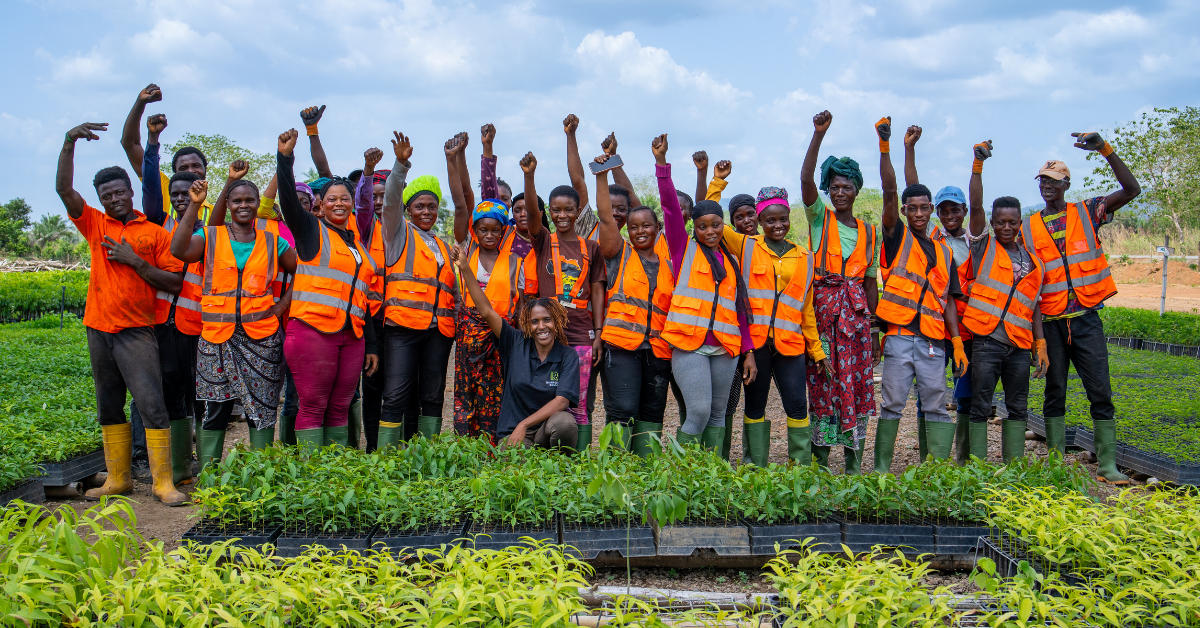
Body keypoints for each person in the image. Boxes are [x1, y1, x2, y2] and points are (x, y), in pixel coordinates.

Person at [56, 122, 189, 506]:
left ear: (131, 192)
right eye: (106, 194)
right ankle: (118, 478)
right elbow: (64, 189)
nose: (114, 198)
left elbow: (175, 282)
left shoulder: (156, 234)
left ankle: (163, 482)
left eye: (119, 192)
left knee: (151, 403)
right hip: (98, 328)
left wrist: (135, 261)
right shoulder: (95, 224)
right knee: (108, 403)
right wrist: (69, 143)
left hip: (137, 331)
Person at [1026, 131, 1140, 484]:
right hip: (1052, 324)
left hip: (1086, 320)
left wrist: (1105, 150)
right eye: (1043, 180)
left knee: (1100, 392)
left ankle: (1107, 465)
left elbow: (1132, 190)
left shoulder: (1087, 211)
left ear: (1066, 184)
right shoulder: (1028, 227)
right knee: (1054, 390)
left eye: (1054, 180)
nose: (1047, 185)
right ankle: (1057, 463)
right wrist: (1037, 338)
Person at [169, 173, 296, 471]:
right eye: (236, 200)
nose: (243, 205)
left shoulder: (272, 242)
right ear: (227, 204)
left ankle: (262, 476)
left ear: (258, 205)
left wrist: (280, 307)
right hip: (215, 338)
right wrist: (194, 207)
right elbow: (178, 251)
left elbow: (303, 272)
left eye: (249, 200)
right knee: (215, 407)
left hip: (262, 339)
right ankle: (211, 478)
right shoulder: (209, 236)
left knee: (262, 408)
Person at [706, 179, 832, 466]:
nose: (778, 225)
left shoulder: (805, 257)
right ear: (759, 221)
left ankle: (800, 468)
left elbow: (806, 310)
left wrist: (817, 350)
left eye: (783, 219)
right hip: (755, 345)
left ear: (790, 219)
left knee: (798, 405)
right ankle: (754, 467)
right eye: (770, 219)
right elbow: (711, 217)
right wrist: (717, 182)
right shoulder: (746, 245)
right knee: (755, 404)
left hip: (790, 345)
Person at [274, 128, 380, 449]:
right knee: (313, 405)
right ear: (321, 203)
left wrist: (371, 344)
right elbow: (289, 200)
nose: (339, 203)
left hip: (352, 336)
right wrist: (285, 158)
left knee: (339, 407)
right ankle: (310, 473)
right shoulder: (310, 230)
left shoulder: (356, 244)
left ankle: (335, 472)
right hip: (312, 331)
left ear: (351, 204)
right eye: (332, 198)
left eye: (344, 198)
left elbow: (361, 297)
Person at [875, 116, 969, 472]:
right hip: (899, 337)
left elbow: (946, 301)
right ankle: (882, 470)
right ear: (903, 211)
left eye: (923, 207)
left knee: (935, 404)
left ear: (931, 210)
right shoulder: (898, 237)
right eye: (911, 208)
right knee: (892, 403)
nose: (917, 212)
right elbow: (889, 190)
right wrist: (887, 146)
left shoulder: (944, 251)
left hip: (933, 341)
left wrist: (957, 341)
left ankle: (936, 472)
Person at [653, 134, 757, 449]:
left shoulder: (732, 260)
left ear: (723, 225)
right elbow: (671, 209)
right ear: (694, 228)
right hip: (690, 345)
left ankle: (711, 478)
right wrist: (662, 165)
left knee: (717, 414)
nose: (709, 231)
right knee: (697, 411)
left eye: (715, 225)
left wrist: (748, 352)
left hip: (726, 349)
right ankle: (680, 474)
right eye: (702, 226)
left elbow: (740, 311)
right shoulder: (683, 250)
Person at [799, 111, 882, 473]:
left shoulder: (869, 230)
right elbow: (805, 180)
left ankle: (853, 466)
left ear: (857, 190)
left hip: (856, 326)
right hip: (822, 321)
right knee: (823, 386)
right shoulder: (820, 219)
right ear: (828, 192)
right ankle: (819, 465)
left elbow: (869, 282)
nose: (841, 192)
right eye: (835, 187)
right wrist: (818, 135)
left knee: (856, 388)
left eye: (847, 187)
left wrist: (876, 331)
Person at [963, 141, 1049, 462]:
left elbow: (1033, 304)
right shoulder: (983, 247)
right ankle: (978, 468)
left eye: (1013, 222)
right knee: (981, 406)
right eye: (1000, 222)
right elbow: (975, 206)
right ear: (992, 223)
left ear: (1019, 222)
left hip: (1019, 346)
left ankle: (1013, 466)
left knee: (1018, 406)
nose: (1007, 227)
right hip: (987, 342)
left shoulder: (1031, 260)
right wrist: (977, 165)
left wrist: (1040, 344)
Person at [453, 244, 580, 450]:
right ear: (527, 326)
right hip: (514, 433)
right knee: (516, 467)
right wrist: (465, 268)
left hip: (543, 430)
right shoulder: (515, 342)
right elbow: (486, 311)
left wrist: (525, 424)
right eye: (535, 321)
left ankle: (560, 468)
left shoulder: (567, 356)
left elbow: (562, 402)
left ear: (556, 322)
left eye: (547, 320)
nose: (541, 327)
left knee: (565, 423)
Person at [521, 149, 606, 449]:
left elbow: (597, 290)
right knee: (544, 392)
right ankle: (541, 449)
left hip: (581, 333)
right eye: (556, 210)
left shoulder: (591, 248)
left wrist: (597, 333)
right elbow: (532, 214)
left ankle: (578, 461)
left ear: (578, 209)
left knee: (579, 399)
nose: (562, 215)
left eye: (569, 209)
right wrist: (529, 177)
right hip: (546, 334)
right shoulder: (543, 240)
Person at [137, 113, 204, 486]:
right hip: (160, 324)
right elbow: (149, 186)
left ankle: (192, 461)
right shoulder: (158, 223)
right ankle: (170, 466)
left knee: (197, 394)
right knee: (165, 393)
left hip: (195, 327)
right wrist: (152, 144)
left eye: (187, 193)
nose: (181, 199)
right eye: (176, 193)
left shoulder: (211, 227)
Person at [378, 131, 457, 447]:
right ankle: (387, 458)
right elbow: (390, 201)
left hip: (439, 331)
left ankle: (428, 456)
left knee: (433, 395)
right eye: (420, 206)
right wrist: (400, 166)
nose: (426, 212)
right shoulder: (397, 234)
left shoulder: (442, 244)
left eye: (432, 206)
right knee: (396, 394)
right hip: (402, 328)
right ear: (409, 209)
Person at [592, 154, 673, 455]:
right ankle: (615, 474)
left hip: (658, 348)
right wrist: (603, 173)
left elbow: (642, 206)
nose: (640, 231)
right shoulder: (618, 252)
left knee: (652, 411)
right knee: (623, 409)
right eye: (634, 227)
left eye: (646, 226)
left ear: (656, 228)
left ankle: (646, 474)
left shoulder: (668, 257)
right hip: (622, 346)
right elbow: (604, 216)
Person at [903, 126, 976, 464]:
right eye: (943, 210)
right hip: (932, 327)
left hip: (966, 329)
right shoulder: (930, 236)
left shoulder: (977, 241)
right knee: (928, 394)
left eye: (954, 210)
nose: (948, 216)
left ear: (963, 211)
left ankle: (961, 459)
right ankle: (928, 460)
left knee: (966, 393)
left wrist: (977, 166)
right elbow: (913, 189)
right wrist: (909, 150)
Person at [449, 132, 525, 442]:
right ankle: (467, 449)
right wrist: (455, 158)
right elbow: (461, 200)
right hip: (469, 333)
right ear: (475, 230)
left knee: (499, 391)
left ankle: (497, 448)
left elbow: (520, 303)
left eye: (496, 228)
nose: (489, 234)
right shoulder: (467, 249)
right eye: (483, 229)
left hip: (503, 334)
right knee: (468, 393)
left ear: (504, 228)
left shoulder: (515, 259)